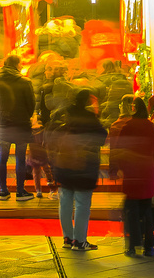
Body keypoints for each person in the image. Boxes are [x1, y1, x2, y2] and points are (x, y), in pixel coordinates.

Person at [47, 88, 106, 251]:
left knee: (65, 201)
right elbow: (102, 137)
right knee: (82, 203)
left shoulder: (65, 115)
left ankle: (68, 238)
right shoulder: (90, 119)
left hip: (64, 164)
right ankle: (80, 241)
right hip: (84, 165)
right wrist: (96, 110)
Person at [108, 95, 154, 258]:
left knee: (131, 211)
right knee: (146, 210)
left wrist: (118, 167)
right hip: (147, 172)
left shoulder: (127, 126)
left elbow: (119, 148)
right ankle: (149, 247)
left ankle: (132, 245)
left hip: (132, 173)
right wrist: (152, 165)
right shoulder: (151, 127)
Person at [0, 53, 36, 202]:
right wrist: (26, 116)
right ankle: (20, 192)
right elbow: (31, 104)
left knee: (3, 157)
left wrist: (0, 116)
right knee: (20, 158)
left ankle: (3, 191)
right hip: (21, 124)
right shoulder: (25, 82)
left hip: (4, 124)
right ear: (17, 64)